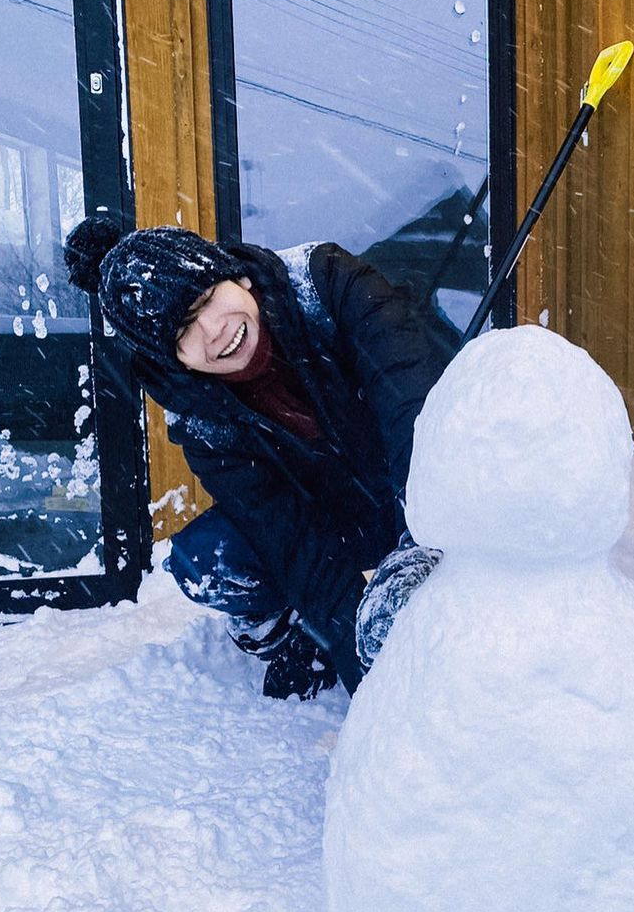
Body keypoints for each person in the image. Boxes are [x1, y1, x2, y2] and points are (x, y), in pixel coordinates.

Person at [64, 216, 453, 700]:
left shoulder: (327, 284)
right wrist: (375, 677)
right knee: (211, 557)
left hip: (408, 482)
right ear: (174, 360)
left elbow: (416, 415)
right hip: (334, 522)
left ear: (235, 275)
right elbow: (290, 539)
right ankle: (293, 637)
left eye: (207, 299)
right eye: (184, 329)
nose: (215, 329)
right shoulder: (203, 424)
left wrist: (421, 543)